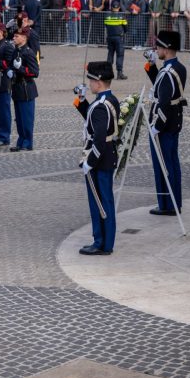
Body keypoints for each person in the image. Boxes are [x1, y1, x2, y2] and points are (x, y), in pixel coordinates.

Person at [74, 62, 119, 255]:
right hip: (106, 157)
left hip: (99, 161)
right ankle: (104, 240)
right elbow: (93, 122)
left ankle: (102, 242)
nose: (90, 84)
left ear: (99, 81)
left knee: (100, 202)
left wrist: (90, 162)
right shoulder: (108, 99)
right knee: (104, 199)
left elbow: (99, 138)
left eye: (91, 80)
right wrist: (82, 101)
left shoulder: (101, 106)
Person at [145, 31, 187, 216]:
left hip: (165, 125)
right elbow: (161, 85)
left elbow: (163, 102)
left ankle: (167, 204)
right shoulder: (177, 67)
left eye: (159, 47)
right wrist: (152, 65)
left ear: (167, 48)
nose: (157, 49)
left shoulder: (169, 72)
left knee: (164, 166)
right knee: (171, 163)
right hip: (174, 122)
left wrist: (156, 127)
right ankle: (173, 202)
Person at [9, 27, 39, 151]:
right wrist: (10, 70)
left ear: (24, 38)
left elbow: (34, 72)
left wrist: (20, 68)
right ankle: (21, 141)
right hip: (17, 87)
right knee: (19, 119)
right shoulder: (16, 51)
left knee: (26, 118)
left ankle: (28, 142)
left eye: (16, 36)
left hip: (26, 88)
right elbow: (11, 65)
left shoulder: (28, 52)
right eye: (14, 36)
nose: (14, 38)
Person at [104, 1, 128, 80]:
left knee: (110, 54)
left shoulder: (107, 15)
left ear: (112, 7)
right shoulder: (122, 16)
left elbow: (106, 25)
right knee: (120, 55)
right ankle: (119, 73)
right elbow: (126, 28)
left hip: (110, 37)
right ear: (119, 7)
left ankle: (108, 73)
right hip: (118, 38)